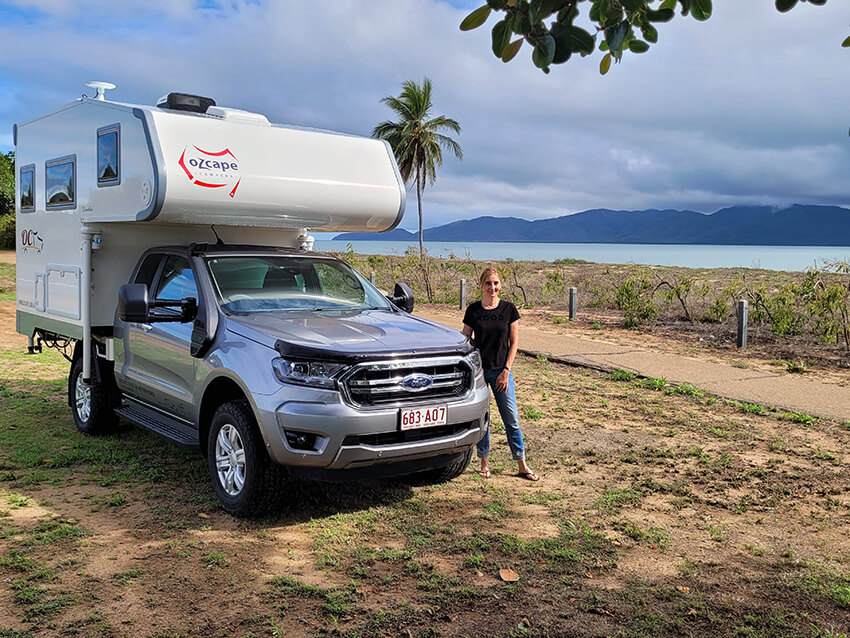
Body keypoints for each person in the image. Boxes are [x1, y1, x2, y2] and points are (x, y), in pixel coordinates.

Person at [462, 266, 539, 481]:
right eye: (488, 283)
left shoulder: (509, 309)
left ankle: (521, 463)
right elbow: (465, 338)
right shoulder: (473, 310)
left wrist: (506, 370)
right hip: (479, 372)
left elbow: (514, 343)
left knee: (511, 419)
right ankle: (484, 462)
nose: (492, 287)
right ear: (481, 285)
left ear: (500, 285)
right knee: (483, 420)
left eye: (495, 283)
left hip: (501, 372)